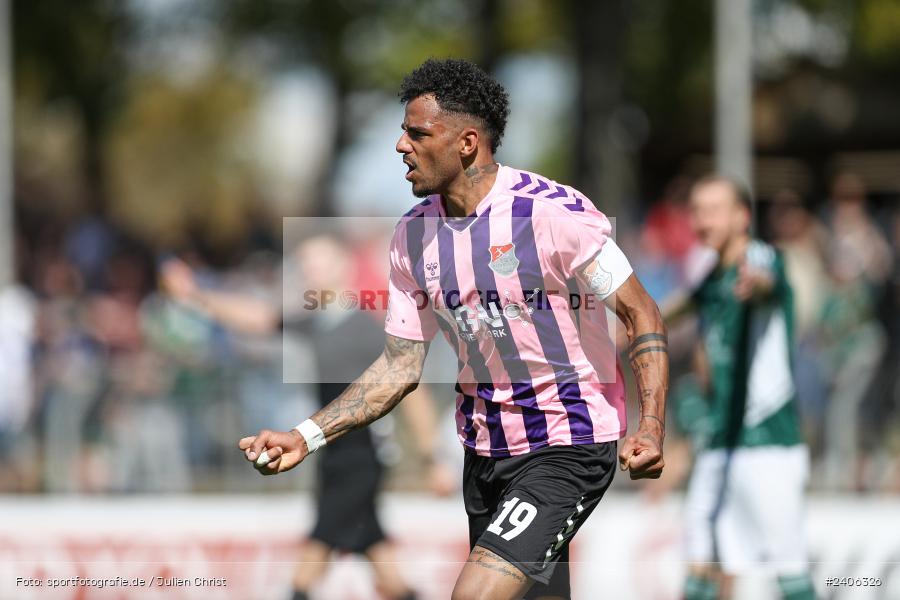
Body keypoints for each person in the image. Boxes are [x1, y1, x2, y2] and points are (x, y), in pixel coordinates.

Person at [239, 58, 668, 600]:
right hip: (484, 452)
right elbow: (399, 366)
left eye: (417, 133)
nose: (401, 146)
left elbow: (641, 312)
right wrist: (306, 435)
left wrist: (651, 425)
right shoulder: (412, 237)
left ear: (467, 143)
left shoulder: (550, 214)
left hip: (568, 443)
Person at [162, 233, 453, 600]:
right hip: (330, 451)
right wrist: (196, 295)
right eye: (304, 264)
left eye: (319, 262)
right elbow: (258, 318)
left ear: (342, 269)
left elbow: (413, 392)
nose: (309, 271)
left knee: (314, 553)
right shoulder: (314, 322)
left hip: (363, 455)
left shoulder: (367, 326)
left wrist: (433, 458)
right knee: (382, 564)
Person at [666, 176, 815, 600]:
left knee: (791, 577)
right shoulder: (712, 278)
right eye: (696, 210)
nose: (701, 219)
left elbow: (766, 277)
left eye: (713, 209)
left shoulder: (759, 257)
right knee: (701, 565)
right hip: (721, 441)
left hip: (767, 441)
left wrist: (756, 283)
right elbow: (670, 309)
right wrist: (628, 323)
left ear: (742, 216)